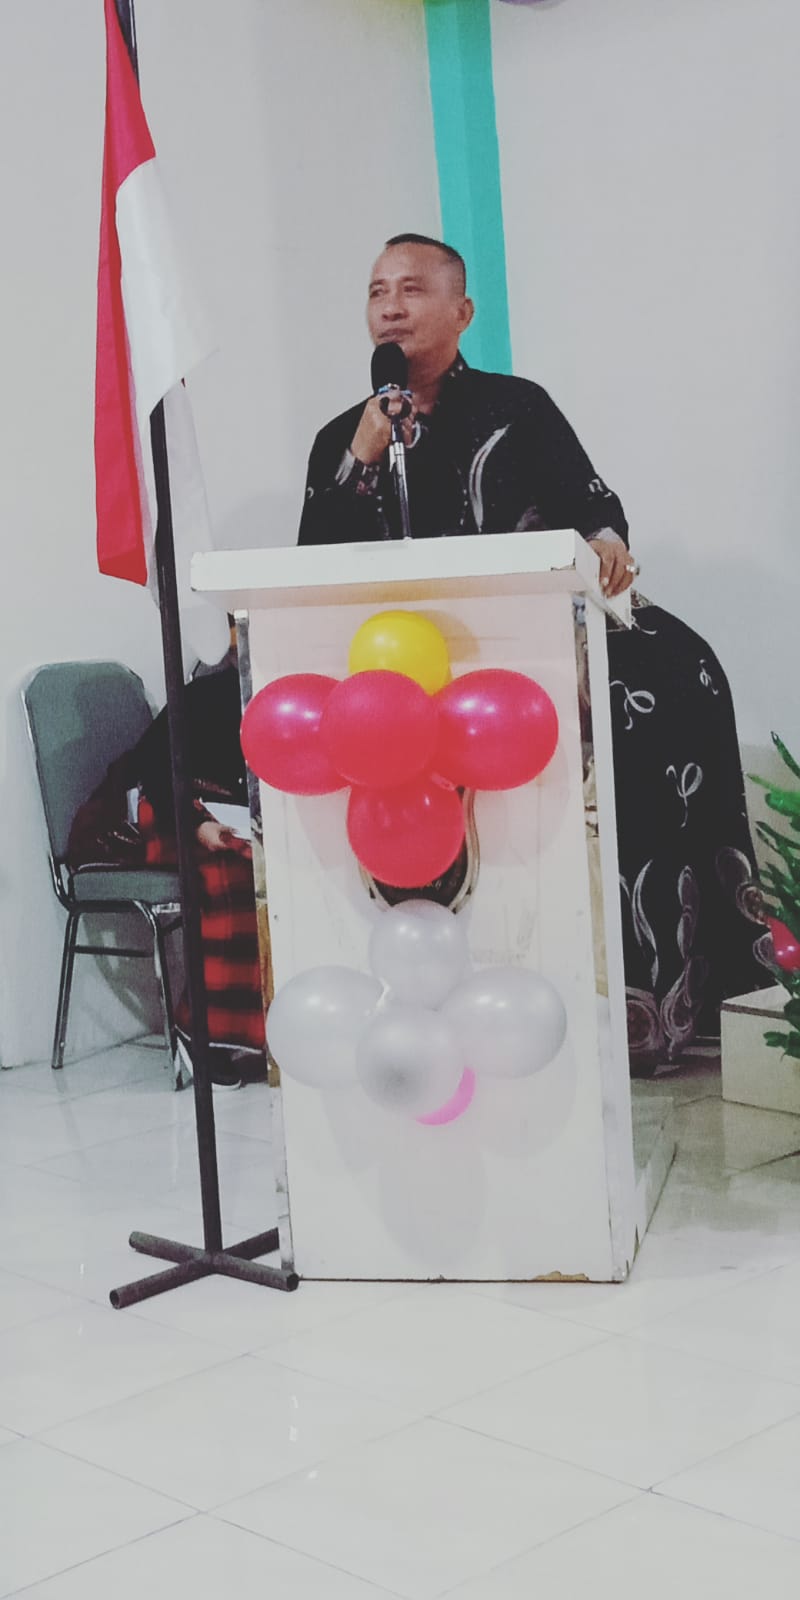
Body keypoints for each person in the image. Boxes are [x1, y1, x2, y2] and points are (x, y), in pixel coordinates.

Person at [298, 233, 773, 1071]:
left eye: (412, 289)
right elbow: (311, 565)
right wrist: (359, 459)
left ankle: (669, 991)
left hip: (541, 630)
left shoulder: (518, 407)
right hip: (403, 667)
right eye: (377, 292)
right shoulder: (344, 433)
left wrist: (606, 538)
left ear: (462, 311)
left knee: (676, 674)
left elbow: (594, 505)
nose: (391, 307)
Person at [67, 646, 265, 1089]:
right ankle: (201, 1033)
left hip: (229, 814)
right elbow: (157, 772)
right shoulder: (201, 697)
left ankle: (253, 1032)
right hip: (167, 809)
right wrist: (196, 825)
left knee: (269, 876)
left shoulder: (277, 700)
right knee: (229, 878)